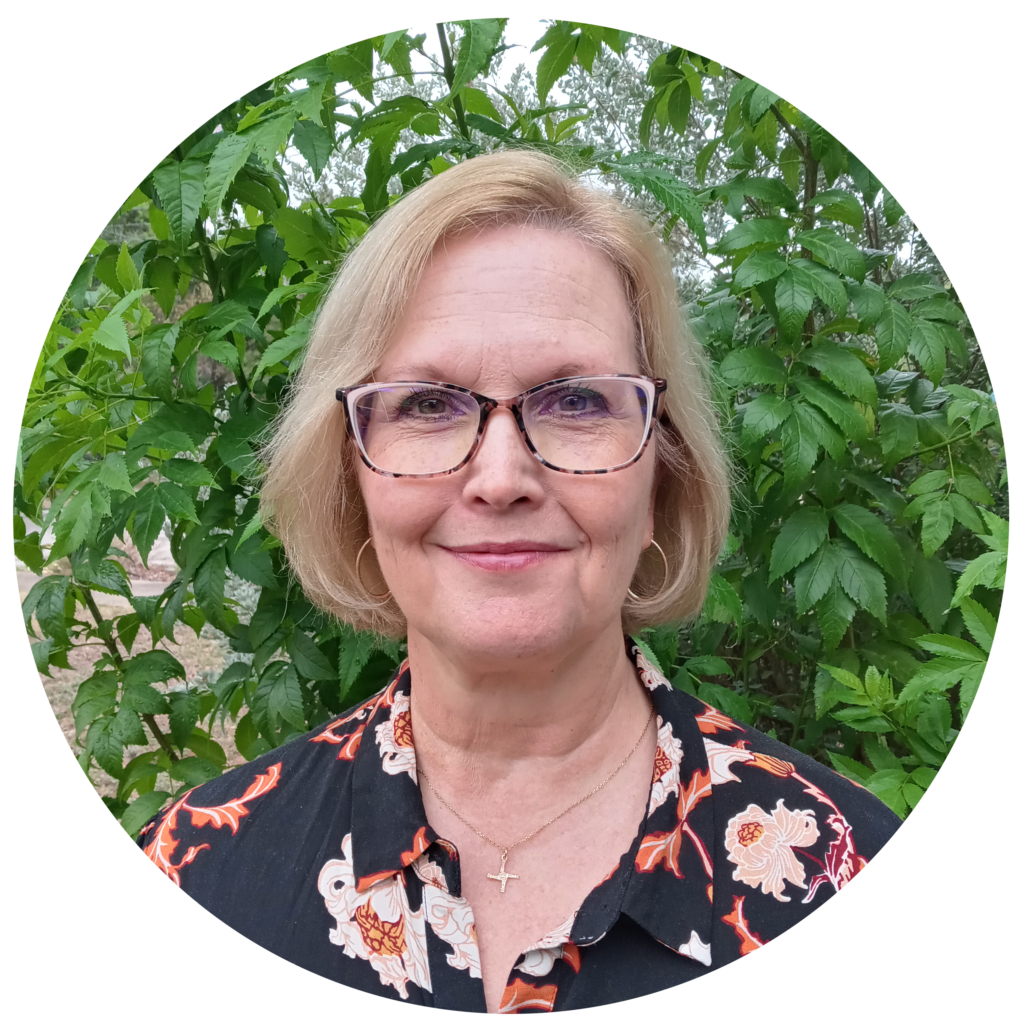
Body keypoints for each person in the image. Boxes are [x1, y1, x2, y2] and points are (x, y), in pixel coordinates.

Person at [137, 149, 902, 1012]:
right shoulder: (200, 869)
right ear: (350, 475)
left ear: (664, 476)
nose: (500, 479)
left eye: (575, 400)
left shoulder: (841, 862)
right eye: (427, 404)